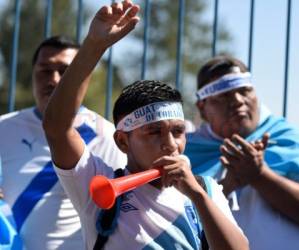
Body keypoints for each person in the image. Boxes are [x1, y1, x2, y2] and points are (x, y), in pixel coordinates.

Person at [43, 1, 249, 249]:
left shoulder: (207, 189)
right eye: (154, 132)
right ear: (122, 141)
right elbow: (56, 126)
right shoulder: (96, 183)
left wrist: (197, 195)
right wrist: (95, 45)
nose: (171, 144)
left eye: (178, 131)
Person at [0, 36, 126, 249]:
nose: (54, 80)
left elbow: (123, 209)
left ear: (84, 78)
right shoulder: (4, 128)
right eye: (45, 70)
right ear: (32, 75)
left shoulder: (106, 135)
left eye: (65, 71)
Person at [185, 55, 299, 250]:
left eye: (244, 90)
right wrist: (223, 188)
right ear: (202, 108)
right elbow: (177, 223)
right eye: (224, 95)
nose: (238, 101)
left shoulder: (286, 137)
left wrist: (260, 175)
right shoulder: (187, 153)